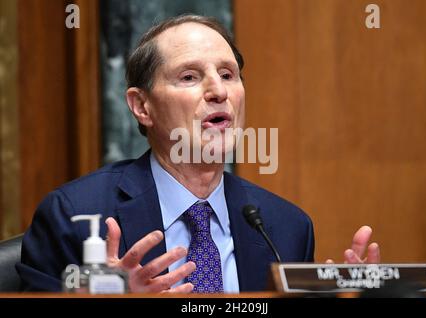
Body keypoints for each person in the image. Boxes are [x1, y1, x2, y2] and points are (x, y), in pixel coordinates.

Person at [16, 14, 380, 293]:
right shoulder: (74, 216)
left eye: (228, 74)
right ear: (141, 106)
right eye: (189, 77)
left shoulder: (285, 227)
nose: (218, 91)